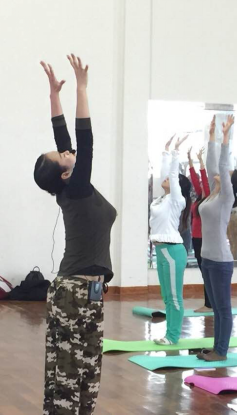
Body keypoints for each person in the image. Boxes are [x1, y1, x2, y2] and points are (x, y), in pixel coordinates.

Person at [35, 55, 117, 414]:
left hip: (87, 292)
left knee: (87, 371)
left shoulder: (71, 186)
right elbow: (85, 139)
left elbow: (64, 135)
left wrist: (54, 95)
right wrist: (82, 88)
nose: (67, 151)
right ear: (65, 173)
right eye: (62, 155)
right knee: (69, 375)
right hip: (75, 292)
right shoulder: (77, 189)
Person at [198, 115, 237, 361]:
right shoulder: (212, 194)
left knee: (223, 309)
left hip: (221, 261)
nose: (222, 173)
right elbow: (212, 164)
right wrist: (211, 136)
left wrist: (225, 138)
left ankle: (222, 351)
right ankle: (216, 348)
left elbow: (222, 167)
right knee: (215, 309)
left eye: (227, 174)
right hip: (207, 259)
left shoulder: (226, 198)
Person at [149, 133, 188, 345]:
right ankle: (168, 334)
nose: (165, 179)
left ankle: (173, 336)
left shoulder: (176, 200)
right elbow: (166, 174)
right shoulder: (161, 199)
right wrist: (165, 151)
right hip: (161, 250)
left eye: (170, 180)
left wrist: (175, 153)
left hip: (173, 250)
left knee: (174, 297)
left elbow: (172, 175)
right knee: (166, 296)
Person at [188, 147, 212, 313]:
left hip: (204, 239)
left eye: (205, 183)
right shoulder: (199, 197)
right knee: (204, 271)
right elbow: (196, 180)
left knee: (206, 271)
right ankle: (209, 303)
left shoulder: (209, 198)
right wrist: (191, 161)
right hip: (196, 238)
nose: (202, 185)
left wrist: (202, 162)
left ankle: (209, 304)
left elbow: (202, 178)